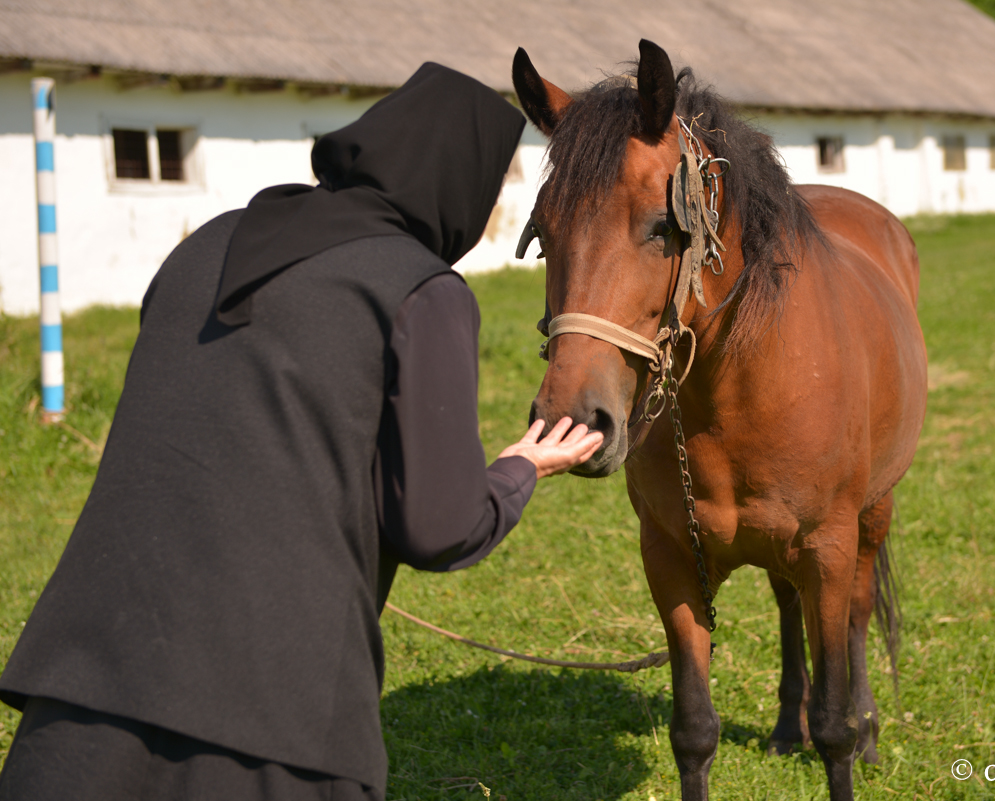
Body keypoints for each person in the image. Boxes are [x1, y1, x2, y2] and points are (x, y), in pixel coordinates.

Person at [0, 62, 601, 800]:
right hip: (272, 723)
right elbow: (440, 528)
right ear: (461, 184)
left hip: (79, 693)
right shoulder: (419, 287)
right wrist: (520, 470)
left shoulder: (204, 246)